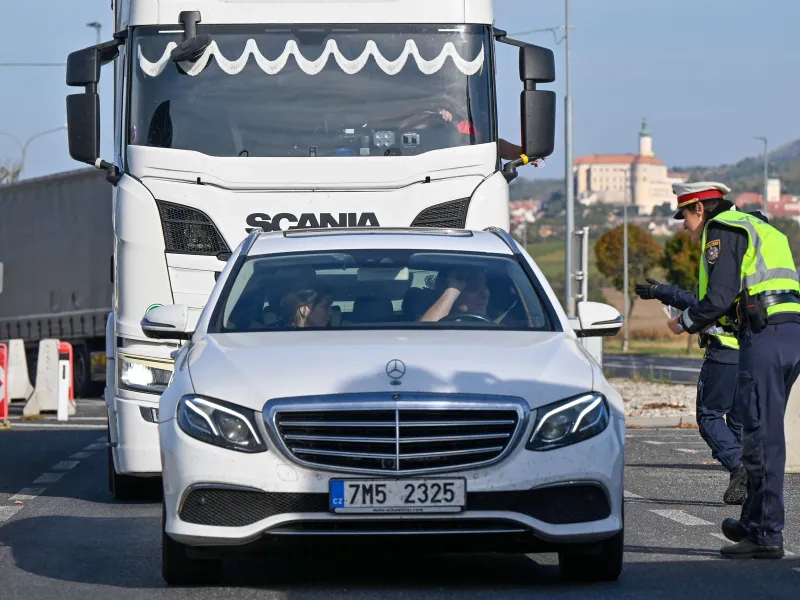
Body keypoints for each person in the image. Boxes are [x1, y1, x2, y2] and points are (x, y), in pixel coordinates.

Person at [665, 181, 800, 559]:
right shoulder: (763, 228)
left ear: (700, 209)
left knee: (761, 437)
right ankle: (753, 522)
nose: (685, 226)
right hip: (788, 331)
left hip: (765, 336)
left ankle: (766, 535)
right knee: (756, 428)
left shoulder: (721, 230)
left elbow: (720, 298)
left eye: (685, 216)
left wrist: (684, 322)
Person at [635, 275, 746, 504]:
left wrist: (660, 291)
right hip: (753, 356)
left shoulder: (723, 262)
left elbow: (700, 303)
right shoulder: (751, 273)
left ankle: (739, 466)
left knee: (709, 416)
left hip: (724, 355)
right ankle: (749, 482)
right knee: (739, 421)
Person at [420, 268, 491, 323]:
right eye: (473, 288)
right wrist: (452, 290)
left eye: (486, 287)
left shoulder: (499, 326)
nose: (486, 294)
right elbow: (423, 337)